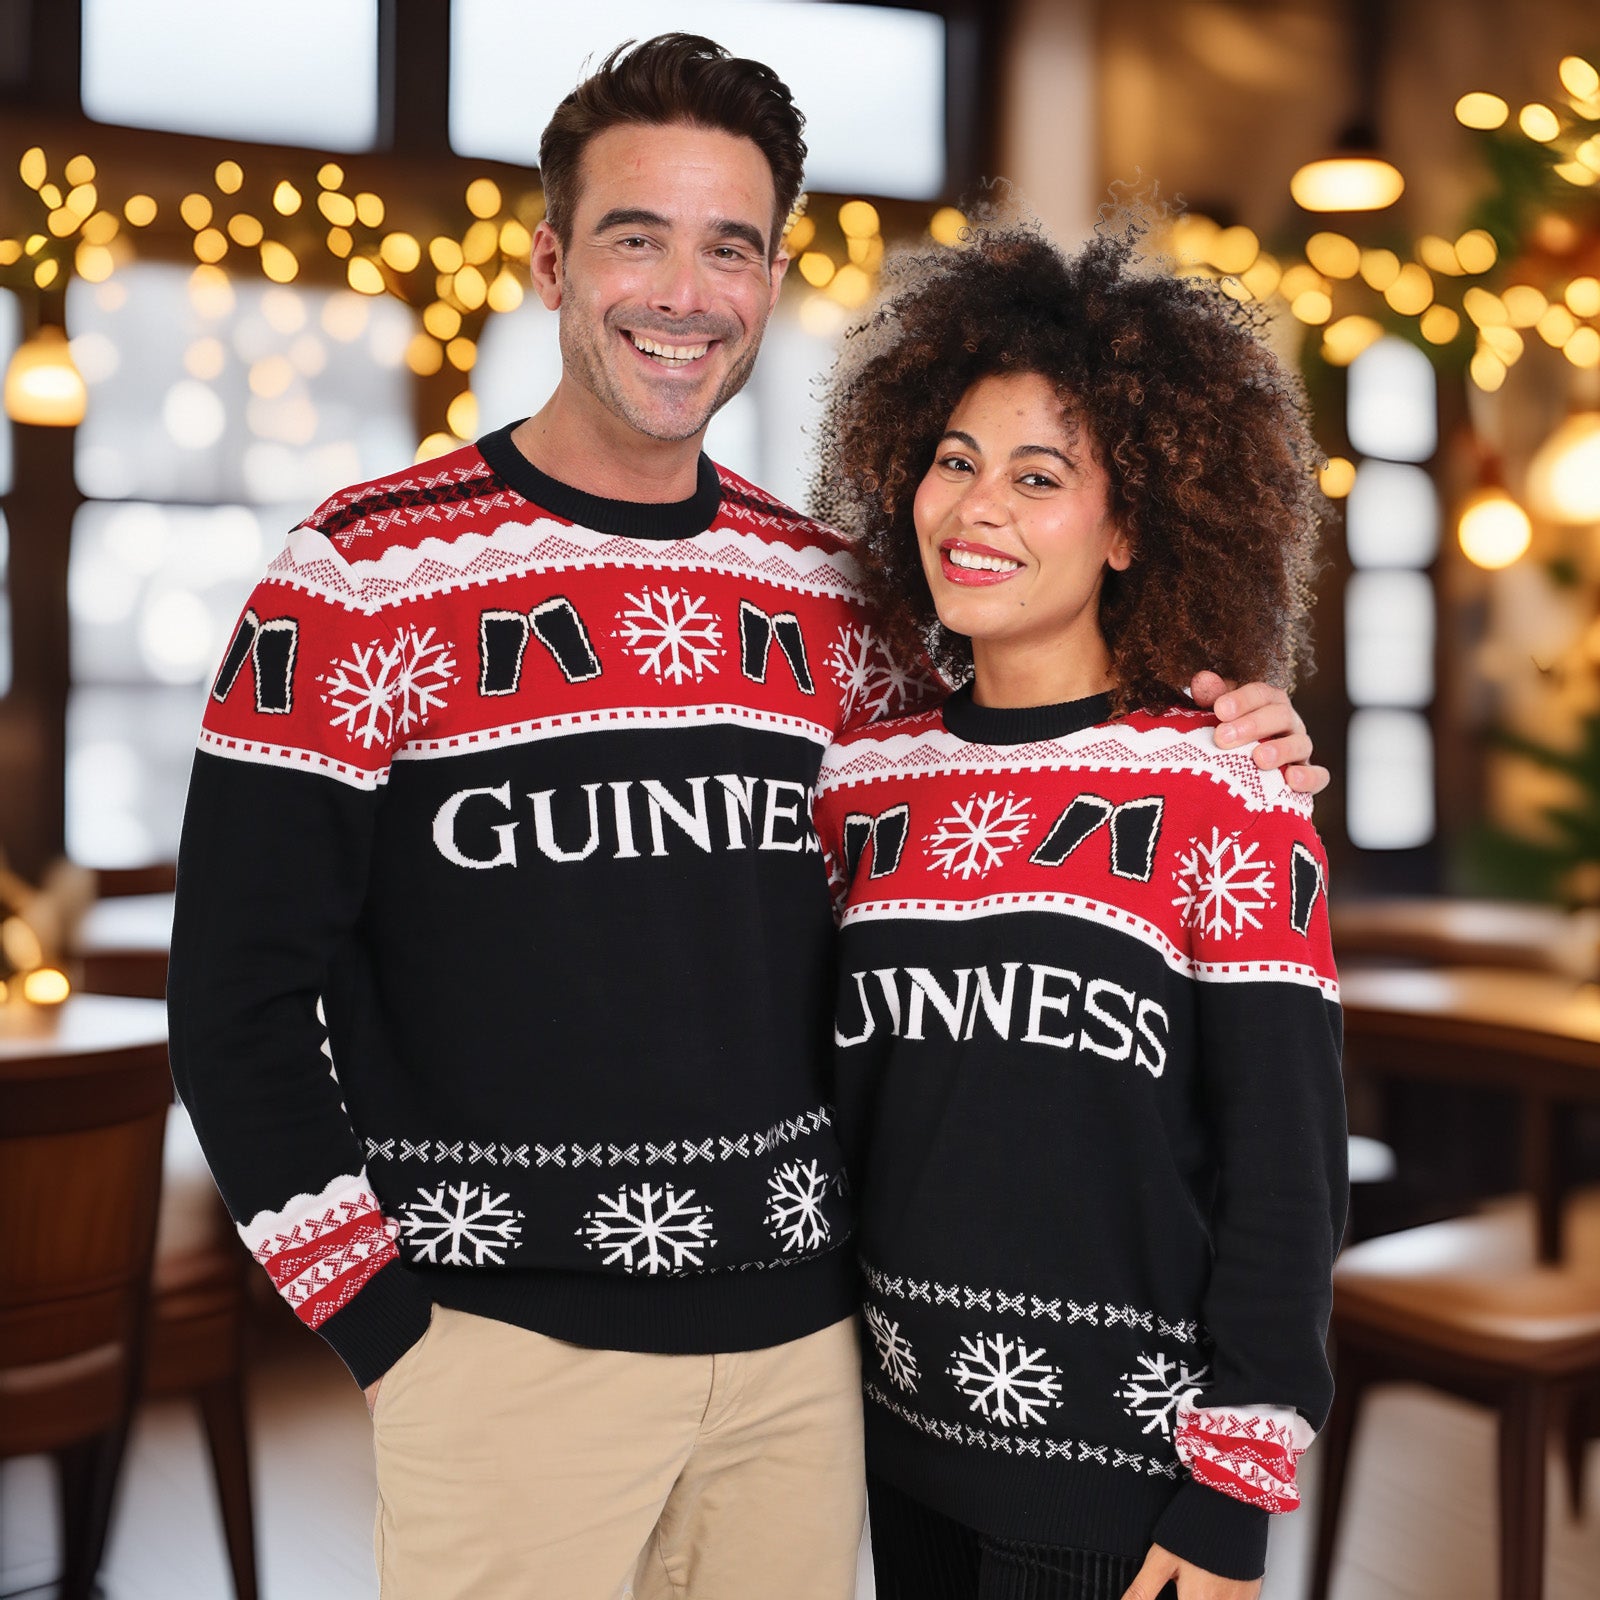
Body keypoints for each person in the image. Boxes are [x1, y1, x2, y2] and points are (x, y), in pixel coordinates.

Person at [166, 35, 1326, 1600]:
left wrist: (1239, 722)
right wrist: (382, 1325)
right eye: (636, 235)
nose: (682, 290)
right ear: (551, 256)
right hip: (506, 1361)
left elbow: (1026, 756)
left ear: (775, 278)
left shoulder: (832, 602)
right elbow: (233, 999)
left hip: (808, 1366)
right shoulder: (360, 581)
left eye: (731, 246)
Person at [810, 216, 1347, 1600]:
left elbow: (1288, 1168)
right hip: (896, 1436)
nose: (976, 508)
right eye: (954, 461)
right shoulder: (861, 785)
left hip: (1124, 1472)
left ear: (1127, 528)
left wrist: (1239, 1479)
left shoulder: (1226, 786)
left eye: (1040, 478)